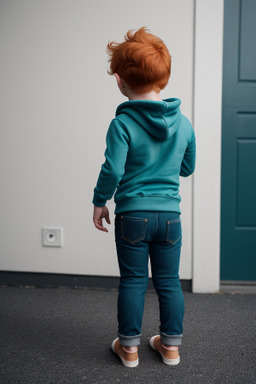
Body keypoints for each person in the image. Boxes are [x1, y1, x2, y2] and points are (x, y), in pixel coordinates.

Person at [92, 27, 196, 368]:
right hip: (170, 219)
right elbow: (187, 167)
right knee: (169, 282)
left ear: (120, 81)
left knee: (134, 281)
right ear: (164, 79)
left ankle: (130, 348)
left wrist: (99, 201)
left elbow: (113, 170)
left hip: (133, 216)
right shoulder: (184, 124)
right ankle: (170, 348)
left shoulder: (121, 124)